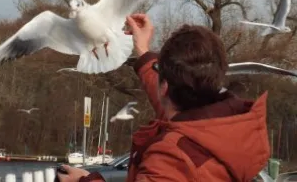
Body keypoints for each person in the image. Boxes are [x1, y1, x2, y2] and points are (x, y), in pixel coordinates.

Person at [57, 14, 270, 182]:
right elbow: (174, 101)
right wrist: (143, 52)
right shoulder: (224, 129)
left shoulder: (172, 158)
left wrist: (87, 180)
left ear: (165, 87)